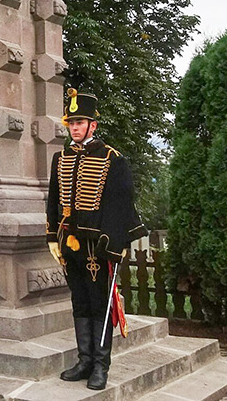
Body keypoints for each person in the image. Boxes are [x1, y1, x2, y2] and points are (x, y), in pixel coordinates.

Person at [47, 89, 148, 391]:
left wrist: (113, 244)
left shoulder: (112, 159)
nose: (74, 128)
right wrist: (53, 235)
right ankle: (84, 360)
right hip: (69, 245)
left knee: (99, 304)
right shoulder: (61, 157)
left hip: (97, 248)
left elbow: (120, 205)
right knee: (79, 302)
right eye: (71, 123)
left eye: (80, 122)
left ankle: (101, 365)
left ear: (93, 125)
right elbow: (54, 200)